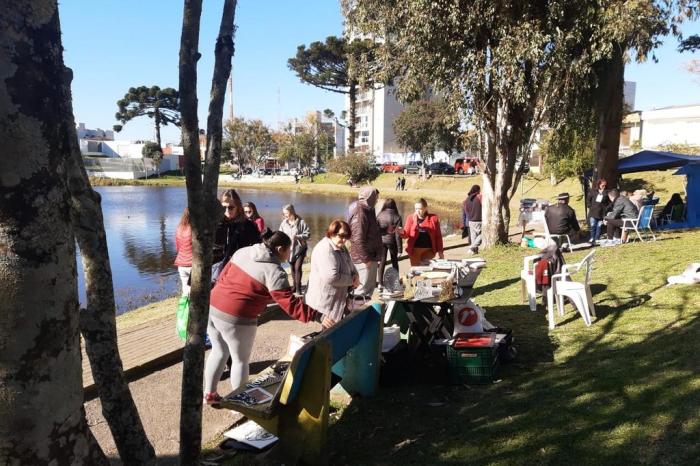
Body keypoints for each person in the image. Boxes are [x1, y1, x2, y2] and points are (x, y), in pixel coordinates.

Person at [203, 231, 333, 403]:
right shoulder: (274, 271)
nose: (290, 254)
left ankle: (209, 393)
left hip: (213, 307)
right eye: (289, 250)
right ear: (280, 249)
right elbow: (290, 304)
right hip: (237, 318)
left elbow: (222, 276)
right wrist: (318, 316)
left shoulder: (243, 251)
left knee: (218, 351)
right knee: (240, 360)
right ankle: (239, 404)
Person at [306, 220, 360, 323]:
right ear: (332, 233)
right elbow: (331, 277)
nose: (344, 240)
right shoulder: (325, 249)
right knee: (328, 331)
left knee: (336, 330)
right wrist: (351, 281)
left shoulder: (341, 246)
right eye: (341, 236)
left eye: (346, 237)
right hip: (324, 302)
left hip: (337, 299)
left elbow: (351, 265)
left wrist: (356, 275)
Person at [212, 189, 261, 282]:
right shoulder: (215, 224)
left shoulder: (247, 225)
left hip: (239, 269)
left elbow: (257, 246)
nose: (227, 210)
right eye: (224, 207)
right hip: (216, 270)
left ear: (238, 207)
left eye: (231, 207)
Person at [348, 187, 383, 300]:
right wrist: (366, 259)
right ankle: (355, 316)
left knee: (368, 291)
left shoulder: (368, 210)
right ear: (370, 197)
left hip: (370, 256)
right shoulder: (360, 212)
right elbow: (357, 239)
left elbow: (370, 231)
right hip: (364, 260)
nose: (377, 200)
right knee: (362, 291)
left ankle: (363, 315)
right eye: (376, 197)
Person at [398, 198, 444, 266]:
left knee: (426, 270)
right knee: (416, 271)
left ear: (425, 208)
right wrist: (401, 231)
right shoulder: (411, 218)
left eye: (420, 209)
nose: (417, 211)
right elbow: (406, 235)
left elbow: (438, 236)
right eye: (416, 209)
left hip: (428, 250)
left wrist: (440, 251)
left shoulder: (433, 218)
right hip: (414, 250)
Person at [278, 204, 310, 295]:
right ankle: (294, 286)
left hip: (300, 249)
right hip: (289, 250)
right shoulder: (284, 223)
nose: (285, 215)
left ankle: (298, 288)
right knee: (292, 268)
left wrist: (298, 236)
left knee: (297, 267)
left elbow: (308, 234)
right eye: (283, 214)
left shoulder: (301, 222)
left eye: (286, 213)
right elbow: (280, 234)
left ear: (292, 212)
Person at [376, 199, 403, 290]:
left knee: (382, 262)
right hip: (393, 242)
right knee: (394, 262)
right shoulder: (397, 216)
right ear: (394, 206)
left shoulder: (380, 215)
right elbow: (398, 234)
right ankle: (396, 282)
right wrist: (400, 249)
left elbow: (377, 230)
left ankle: (380, 283)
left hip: (381, 241)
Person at [174, 208, 193, 295]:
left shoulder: (179, 228)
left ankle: (185, 308)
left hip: (181, 264)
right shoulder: (195, 229)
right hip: (192, 264)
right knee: (195, 293)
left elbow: (178, 247)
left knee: (186, 292)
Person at [586, 179, 610, 244]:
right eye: (602, 185)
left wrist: (606, 208)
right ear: (599, 184)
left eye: (605, 185)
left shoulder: (607, 192)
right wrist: (590, 207)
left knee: (599, 226)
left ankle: (597, 239)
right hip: (593, 212)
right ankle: (592, 238)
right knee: (593, 225)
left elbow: (609, 202)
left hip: (602, 213)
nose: (604, 187)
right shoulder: (593, 191)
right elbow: (588, 200)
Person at [464, 184, 482, 254]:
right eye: (479, 190)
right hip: (479, 219)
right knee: (483, 235)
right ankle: (472, 247)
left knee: (473, 237)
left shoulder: (467, 199)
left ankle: (473, 251)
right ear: (478, 190)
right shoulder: (479, 197)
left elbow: (465, 210)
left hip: (470, 220)